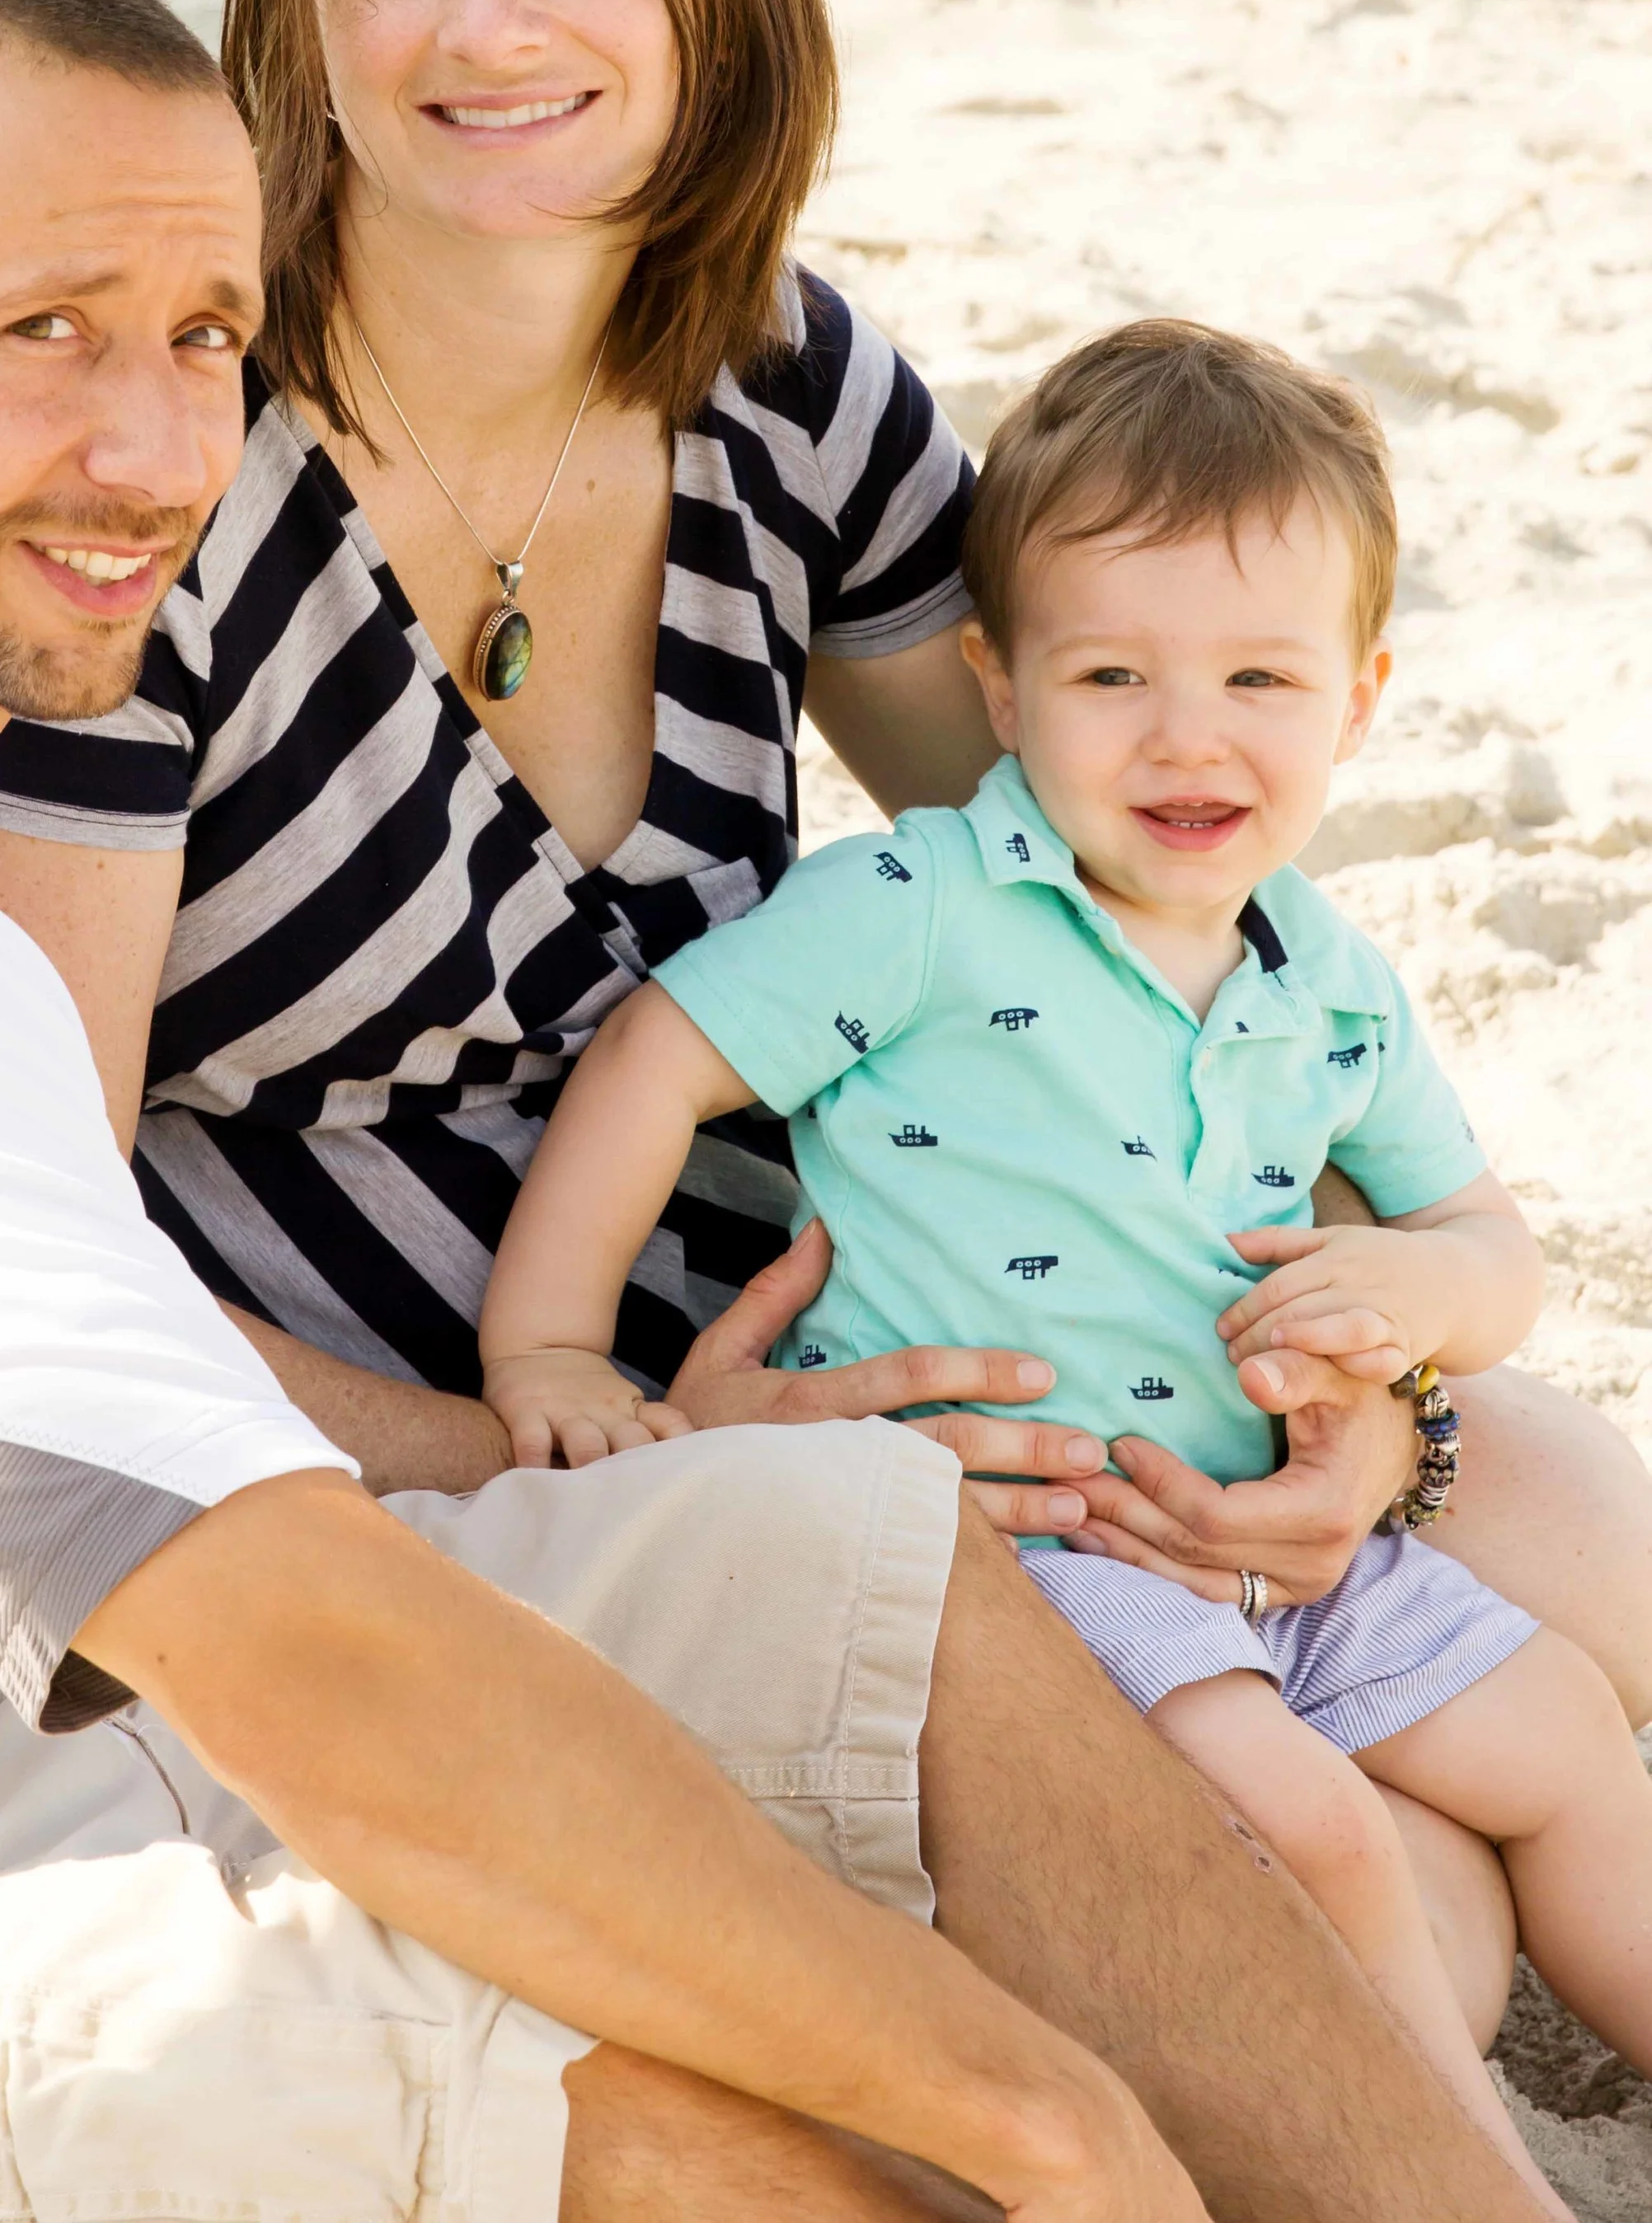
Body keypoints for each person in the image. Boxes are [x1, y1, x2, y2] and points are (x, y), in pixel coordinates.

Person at [0, 0, 1566, 2222]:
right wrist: (1047, 2125)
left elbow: (1119, 953)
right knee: (622, 2106)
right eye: (39, 332)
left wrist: (1392, 1373)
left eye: (201, 333)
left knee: (858, 1536)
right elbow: (316, 1654)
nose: (151, 445)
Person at [0, 0, 1652, 2052]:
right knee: (1358, 1896)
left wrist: (1354, 1414)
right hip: (431, 1480)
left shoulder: (776, 380)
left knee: (1572, 1578)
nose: (489, 22)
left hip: (937, 1353)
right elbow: (28, 1257)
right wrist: (592, 1460)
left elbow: (1142, 919)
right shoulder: (155, 489)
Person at [476, 318, 1652, 2213]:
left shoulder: (1322, 975)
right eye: (1112, 674)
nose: (1188, 736)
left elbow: (1480, 1243)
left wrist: (1414, 1314)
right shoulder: (916, 906)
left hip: (1277, 1530)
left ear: (1355, 701)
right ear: (995, 687)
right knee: (1320, 1840)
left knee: (1566, 1744)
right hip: (1043, 1552)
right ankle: (1469, 2182)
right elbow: (654, 1063)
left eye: (1257, 677)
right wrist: (543, 1344)